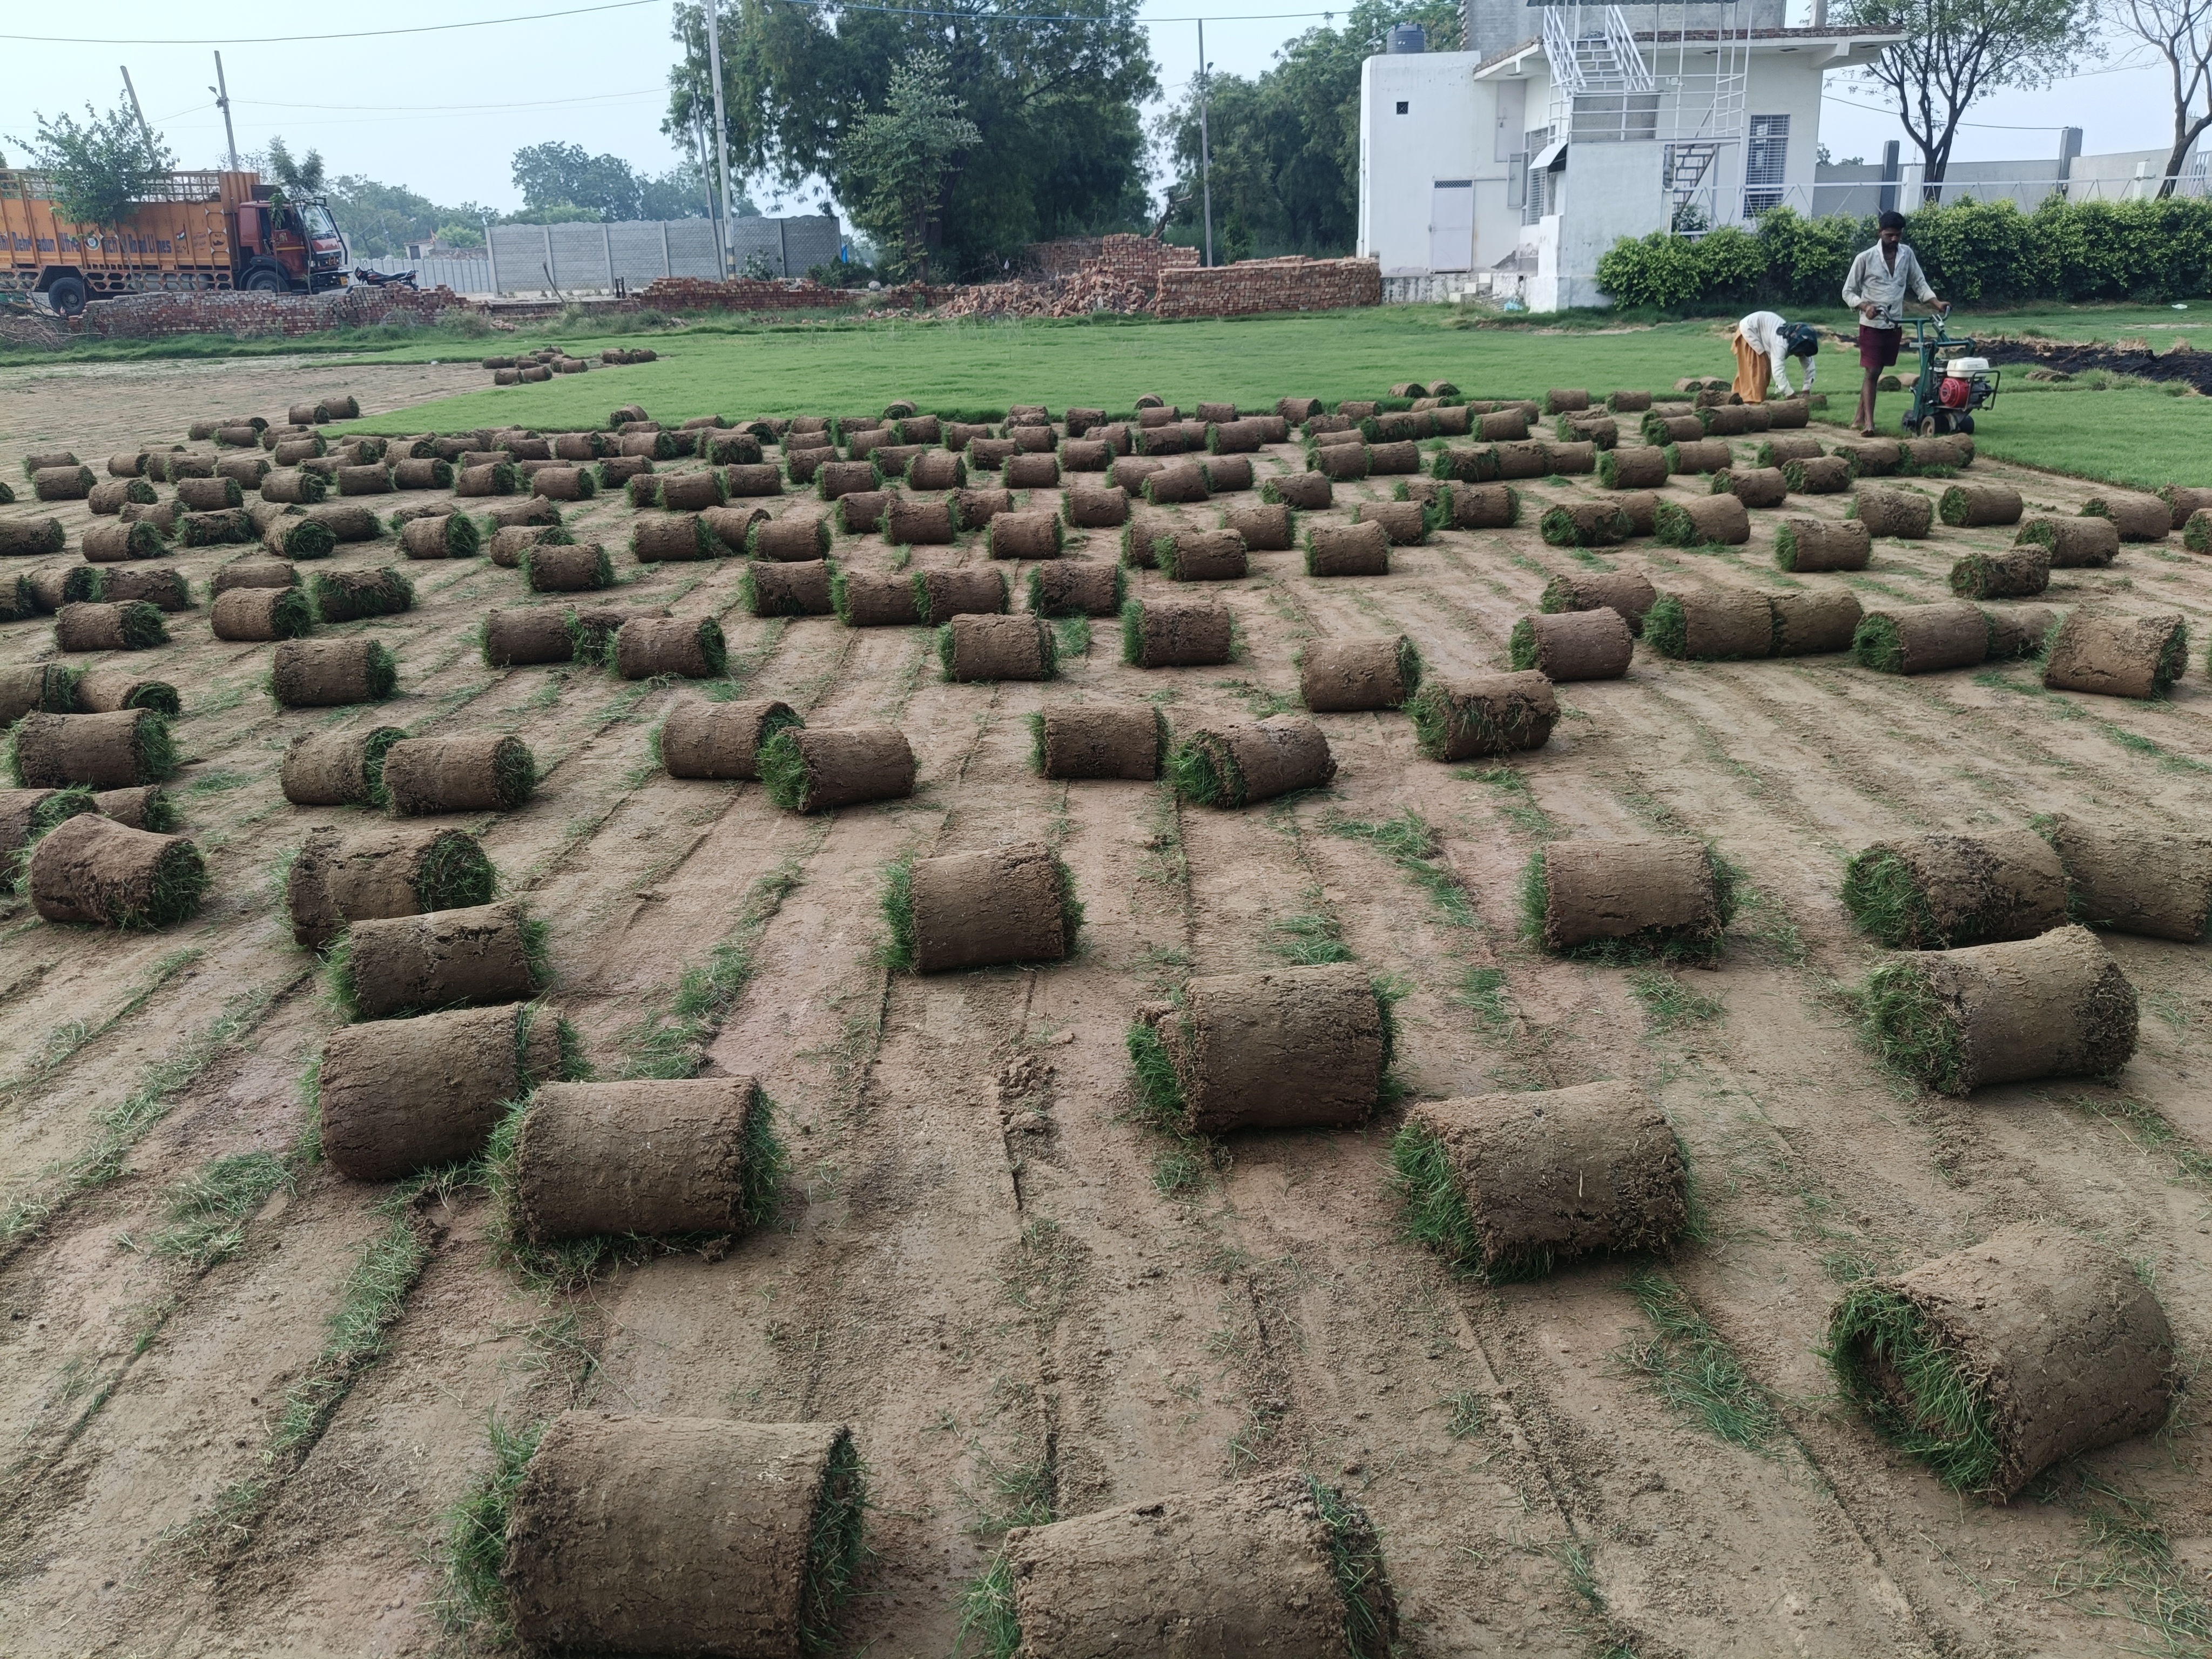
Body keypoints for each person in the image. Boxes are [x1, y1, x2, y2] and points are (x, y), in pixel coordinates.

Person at [1843, 210, 1945, 436]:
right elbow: (1848, 292)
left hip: (1894, 323)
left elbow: (1919, 283)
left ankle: (1859, 417)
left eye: (1898, 235)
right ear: (1880, 232)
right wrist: (1865, 306)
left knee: (1876, 370)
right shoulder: (1865, 258)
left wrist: (1936, 303)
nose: (1894, 239)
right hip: (1871, 325)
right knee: (1873, 370)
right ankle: (1870, 423)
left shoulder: (1907, 255)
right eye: (1890, 235)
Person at [1731, 311, 1820, 403]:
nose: (1801, 355)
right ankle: (1752, 405)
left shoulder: (1800, 343)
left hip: (1759, 330)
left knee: (1757, 372)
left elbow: (1810, 367)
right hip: (1750, 330)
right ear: (1796, 346)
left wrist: (1806, 390)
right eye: (1801, 353)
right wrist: (1791, 397)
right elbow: (1778, 372)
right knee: (1758, 373)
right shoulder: (1781, 344)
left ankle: (1737, 398)